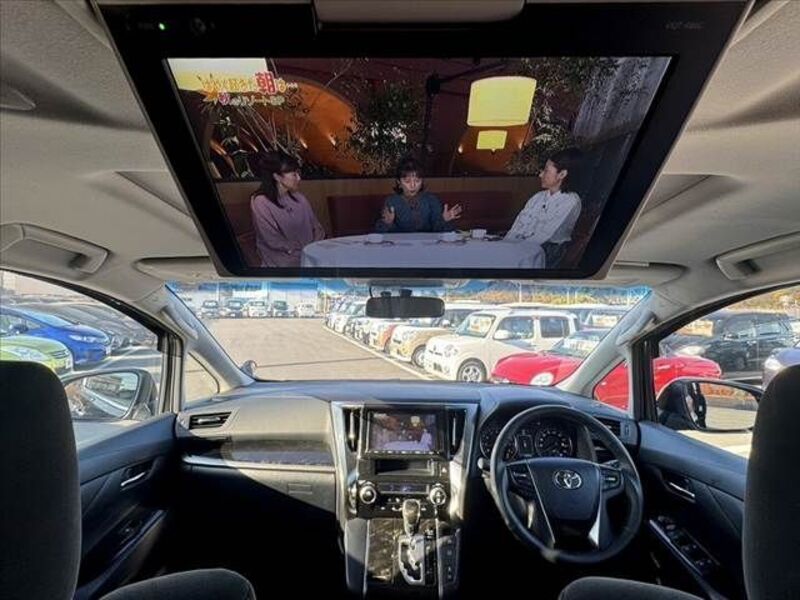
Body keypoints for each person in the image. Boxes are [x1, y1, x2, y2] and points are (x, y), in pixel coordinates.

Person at [505, 148, 584, 267]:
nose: (540, 174)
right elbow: (518, 225)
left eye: (546, 171)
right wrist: (505, 244)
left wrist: (514, 249)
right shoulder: (538, 197)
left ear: (562, 174)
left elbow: (544, 234)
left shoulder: (570, 200)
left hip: (549, 252)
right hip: (522, 245)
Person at [250, 152, 325, 267]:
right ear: (277, 177)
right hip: (282, 259)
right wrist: (303, 249)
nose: (299, 178)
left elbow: (317, 228)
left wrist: (313, 247)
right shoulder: (260, 202)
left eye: (298, 173)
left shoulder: (299, 198)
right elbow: (272, 240)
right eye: (294, 174)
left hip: (309, 253)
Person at [376, 157, 462, 233]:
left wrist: (444, 220)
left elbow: (438, 230)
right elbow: (379, 232)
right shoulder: (391, 201)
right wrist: (387, 223)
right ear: (399, 183)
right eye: (407, 181)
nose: (413, 185)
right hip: (401, 245)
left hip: (427, 244)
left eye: (417, 181)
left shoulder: (431, 200)